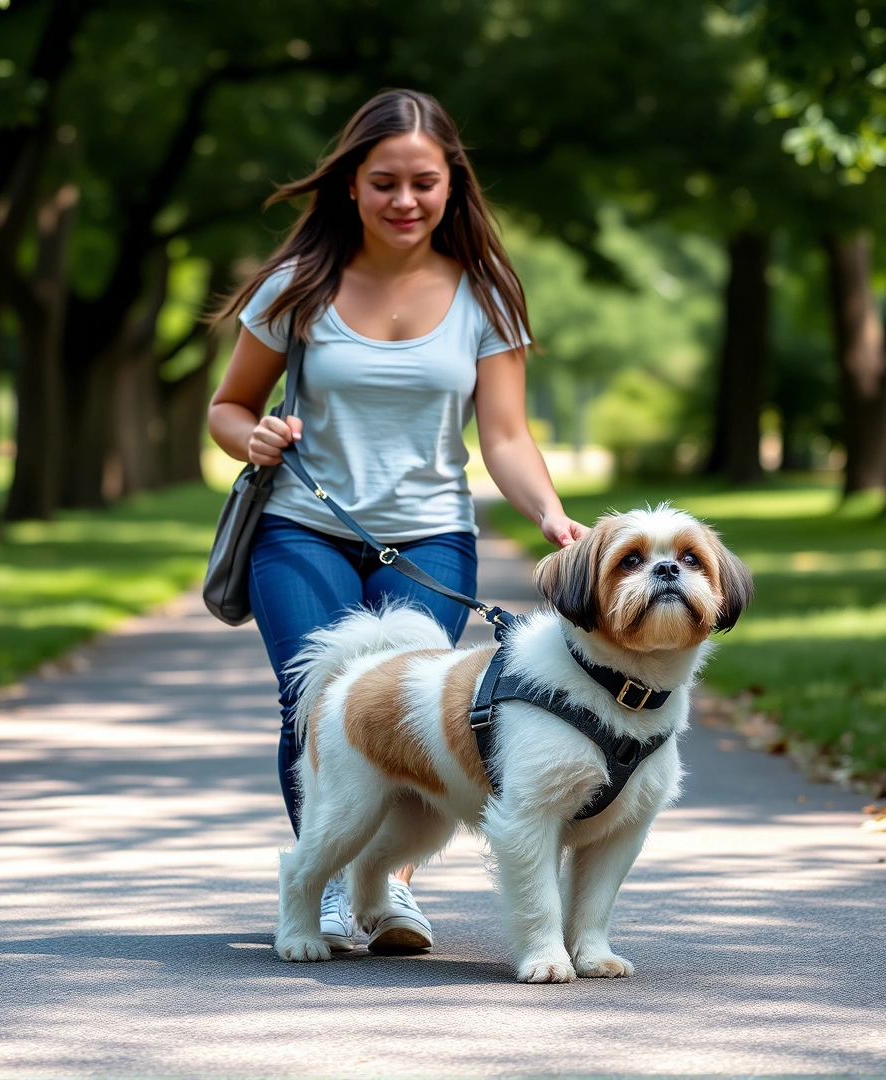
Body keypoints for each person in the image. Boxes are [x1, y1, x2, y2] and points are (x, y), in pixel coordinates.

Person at [208, 88, 589, 954]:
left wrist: (549, 513)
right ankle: (331, 888)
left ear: (453, 184)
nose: (405, 201)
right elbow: (227, 408)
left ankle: (389, 888)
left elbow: (504, 435)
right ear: (350, 185)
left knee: (405, 713)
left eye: (424, 182)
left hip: (429, 538)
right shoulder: (296, 285)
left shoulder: (487, 295)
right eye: (384, 182)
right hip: (303, 525)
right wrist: (255, 434)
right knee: (317, 704)